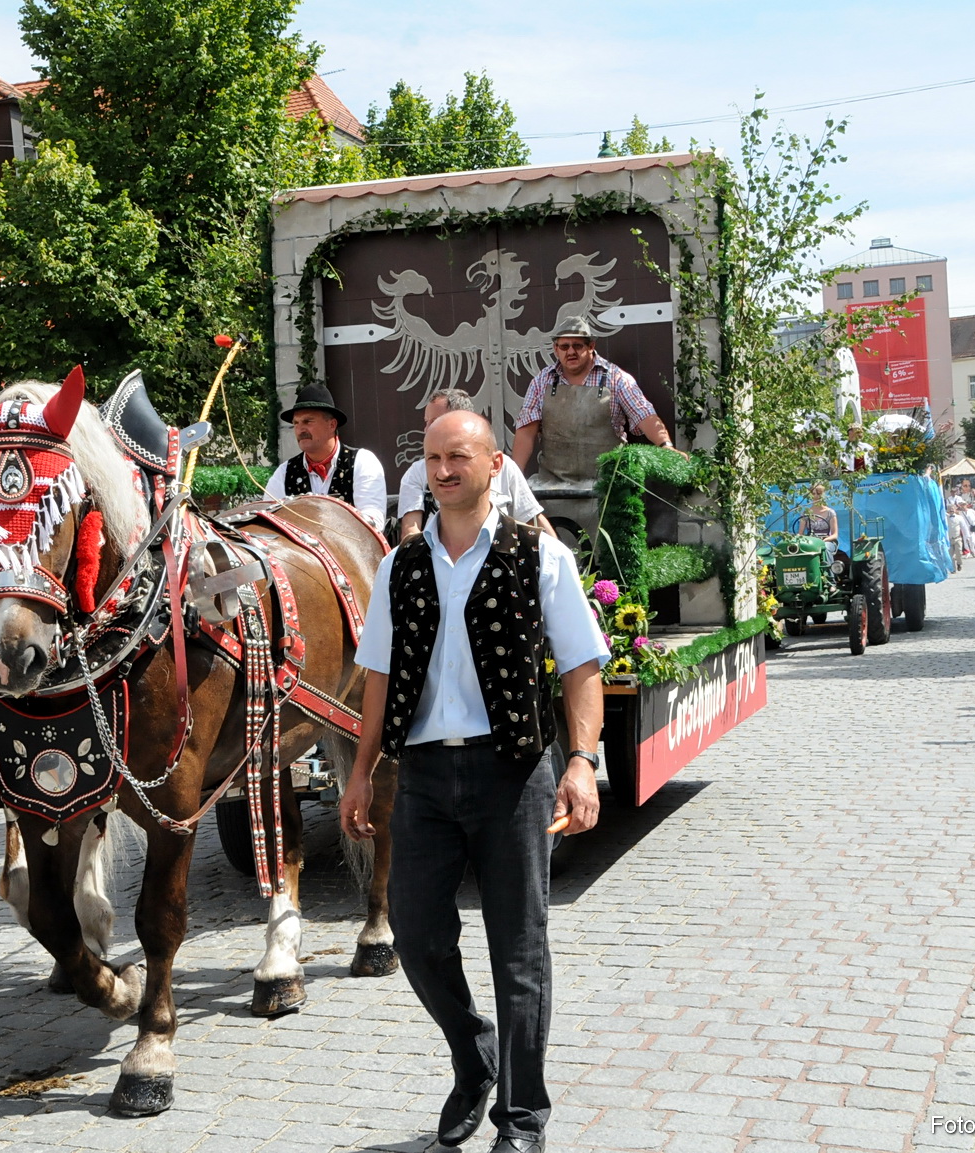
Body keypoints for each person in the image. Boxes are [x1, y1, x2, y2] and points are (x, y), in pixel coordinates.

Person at [340, 409, 609, 1153]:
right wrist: (360, 773)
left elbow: (581, 664)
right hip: (421, 773)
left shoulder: (538, 555)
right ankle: (472, 1050)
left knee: (517, 950)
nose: (442, 470)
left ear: (494, 466)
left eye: (457, 456)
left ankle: (522, 1120)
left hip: (512, 770)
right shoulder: (401, 564)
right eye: (431, 458)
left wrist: (581, 762)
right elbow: (378, 675)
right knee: (418, 934)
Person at [510, 316, 683, 478]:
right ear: (556, 349)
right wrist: (514, 476)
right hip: (553, 485)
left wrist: (666, 446)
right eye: (564, 346)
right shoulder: (541, 381)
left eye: (577, 346)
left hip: (608, 484)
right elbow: (526, 431)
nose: (570, 352)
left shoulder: (616, 378)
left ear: (591, 346)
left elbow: (643, 413)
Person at [396, 389, 553, 542]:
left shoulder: (505, 467)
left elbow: (533, 519)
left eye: (435, 421)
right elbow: (410, 532)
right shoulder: (416, 473)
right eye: (427, 422)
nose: (443, 473)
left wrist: (559, 556)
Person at [264, 382, 388, 530]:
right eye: (296, 423)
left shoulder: (362, 462)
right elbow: (267, 524)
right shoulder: (284, 473)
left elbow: (374, 524)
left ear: (332, 425)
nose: (300, 429)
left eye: (308, 421)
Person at [796, 484, 838, 550]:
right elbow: (800, 534)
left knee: (824, 548)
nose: (815, 496)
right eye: (813, 494)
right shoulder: (806, 513)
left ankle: (826, 560)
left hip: (826, 541)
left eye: (818, 493)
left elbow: (835, 535)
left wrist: (823, 541)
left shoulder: (830, 512)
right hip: (810, 542)